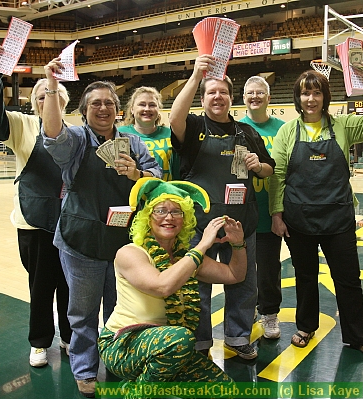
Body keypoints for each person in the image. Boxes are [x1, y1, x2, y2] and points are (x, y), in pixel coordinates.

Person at [41, 58, 162, 397]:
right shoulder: (77, 140)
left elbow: (158, 180)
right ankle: (85, 368)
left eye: (109, 102)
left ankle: (117, 361)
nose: (104, 108)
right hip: (81, 240)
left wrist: (137, 174)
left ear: (119, 110)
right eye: (96, 103)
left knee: (119, 310)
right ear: (84, 111)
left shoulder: (135, 145)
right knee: (82, 312)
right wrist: (51, 84)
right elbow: (52, 133)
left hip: (123, 244)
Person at [269, 69, 363, 361]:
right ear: (298, 98)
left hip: (338, 219)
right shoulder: (287, 131)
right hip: (300, 219)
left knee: (348, 279)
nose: (311, 99)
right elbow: (278, 175)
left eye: (316, 93)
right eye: (305, 93)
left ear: (325, 97)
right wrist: (276, 213)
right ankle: (306, 327)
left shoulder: (343, 125)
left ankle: (360, 337)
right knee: (305, 278)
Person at [169, 55, 275, 360]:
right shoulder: (192, 127)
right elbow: (175, 118)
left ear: (231, 98)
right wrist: (194, 76)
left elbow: (270, 168)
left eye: (224, 92)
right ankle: (199, 342)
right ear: (202, 99)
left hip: (240, 223)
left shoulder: (247, 132)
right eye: (211, 92)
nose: (218, 97)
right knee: (198, 283)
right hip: (199, 225)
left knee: (243, 283)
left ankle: (238, 336)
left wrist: (260, 166)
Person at [98, 177, 247, 385]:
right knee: (182, 338)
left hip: (168, 348)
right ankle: (139, 392)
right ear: (147, 217)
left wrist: (238, 245)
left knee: (225, 389)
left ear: (184, 219)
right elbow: (162, 286)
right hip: (124, 344)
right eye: (160, 210)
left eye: (176, 212)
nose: (169, 217)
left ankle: (156, 383)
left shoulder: (185, 258)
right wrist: (202, 246)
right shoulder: (130, 253)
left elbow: (234, 275)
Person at [0, 44, 71, 368]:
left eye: (53, 93)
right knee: (42, 285)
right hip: (34, 223)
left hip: (69, 222)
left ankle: (69, 336)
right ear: (34, 102)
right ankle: (40, 341)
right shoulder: (21, 125)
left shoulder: (74, 132)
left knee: (70, 284)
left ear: (63, 98)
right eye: (41, 95)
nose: (48, 99)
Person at [238, 76, 285, 339]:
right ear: (243, 99)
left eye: (260, 93)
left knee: (268, 268)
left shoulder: (283, 128)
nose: (254, 97)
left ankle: (269, 313)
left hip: (270, 210)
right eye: (249, 93)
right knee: (242, 269)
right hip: (243, 211)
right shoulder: (235, 127)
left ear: (268, 98)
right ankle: (247, 311)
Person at [118, 86, 179, 181]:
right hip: (134, 193)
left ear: (158, 110)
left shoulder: (171, 133)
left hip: (167, 192)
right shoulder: (121, 134)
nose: (147, 109)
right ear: (132, 109)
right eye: (142, 104)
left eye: (152, 105)